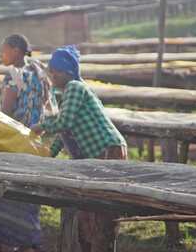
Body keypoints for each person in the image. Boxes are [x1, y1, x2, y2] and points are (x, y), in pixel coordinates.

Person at [30, 45, 127, 252]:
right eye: (51, 70)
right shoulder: (68, 93)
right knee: (86, 210)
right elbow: (64, 133)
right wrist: (46, 154)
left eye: (55, 70)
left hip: (108, 151)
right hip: (95, 155)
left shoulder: (75, 87)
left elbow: (63, 122)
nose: (52, 74)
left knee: (102, 212)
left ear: (67, 71)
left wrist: (42, 126)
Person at [0, 34, 57, 252]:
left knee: (2, 185)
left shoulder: (13, 75)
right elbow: (48, 102)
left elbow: (7, 111)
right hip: (35, 138)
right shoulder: (39, 70)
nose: (2, 54)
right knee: (27, 188)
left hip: (14, 137)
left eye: (4, 50)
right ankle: (26, 239)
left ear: (16, 50)